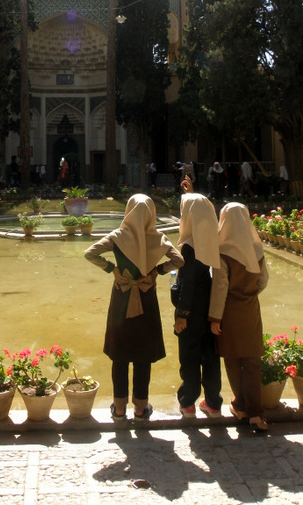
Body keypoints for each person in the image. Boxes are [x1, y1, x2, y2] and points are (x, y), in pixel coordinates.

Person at [85, 193, 184, 422]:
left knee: (119, 353)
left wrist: (113, 269)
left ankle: (119, 408)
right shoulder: (158, 238)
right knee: (143, 354)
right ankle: (141, 408)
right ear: (151, 213)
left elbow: (90, 253)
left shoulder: (117, 237)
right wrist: (156, 271)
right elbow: (179, 261)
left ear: (128, 211)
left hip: (122, 298)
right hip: (146, 298)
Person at [209, 202, 269, 433]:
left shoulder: (222, 251)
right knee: (252, 360)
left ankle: (240, 406)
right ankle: (256, 414)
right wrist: (248, 295)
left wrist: (215, 317)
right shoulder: (257, 249)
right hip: (251, 309)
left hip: (229, 312)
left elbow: (220, 288)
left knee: (233, 359)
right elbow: (263, 282)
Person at [173, 178, 223, 418]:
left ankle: (188, 402)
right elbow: (198, 209)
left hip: (192, 311)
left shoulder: (189, 248)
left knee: (190, 356)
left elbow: (188, 283)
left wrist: (181, 314)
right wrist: (191, 195)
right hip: (211, 307)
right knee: (211, 357)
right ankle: (213, 403)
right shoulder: (213, 238)